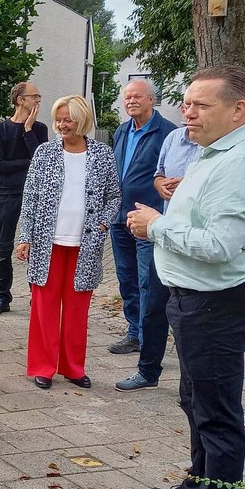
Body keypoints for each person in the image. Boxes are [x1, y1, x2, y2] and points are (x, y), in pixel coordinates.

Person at [127, 64, 245, 489]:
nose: (187, 113)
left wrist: (155, 227)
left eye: (200, 105)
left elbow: (219, 245)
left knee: (216, 409)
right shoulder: (214, 153)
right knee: (196, 399)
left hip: (215, 302)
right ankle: (197, 487)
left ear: (238, 109)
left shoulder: (240, 164)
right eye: (186, 103)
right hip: (195, 298)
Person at [15, 96, 119, 389]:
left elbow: (115, 197)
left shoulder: (102, 154)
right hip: (47, 242)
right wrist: (25, 237)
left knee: (76, 310)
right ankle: (43, 367)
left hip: (85, 244)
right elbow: (31, 197)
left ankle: (73, 367)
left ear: (82, 121)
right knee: (44, 307)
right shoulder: (44, 153)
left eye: (67, 120)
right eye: (58, 120)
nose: (61, 125)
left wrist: (102, 223)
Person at [109, 79, 176, 356]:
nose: (131, 101)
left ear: (151, 100)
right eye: (127, 98)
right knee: (127, 278)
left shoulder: (168, 134)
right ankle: (134, 331)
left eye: (137, 96)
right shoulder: (121, 131)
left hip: (147, 219)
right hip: (119, 217)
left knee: (149, 281)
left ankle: (150, 337)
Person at [0, 82, 49, 316]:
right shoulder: (0, 130)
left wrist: (29, 130)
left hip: (36, 195)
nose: (38, 101)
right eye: (35, 96)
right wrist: (27, 163)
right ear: (20, 100)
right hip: (7, 194)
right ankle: (2, 297)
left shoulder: (39, 129)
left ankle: (38, 296)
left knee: (36, 246)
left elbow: (42, 161)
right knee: (4, 247)